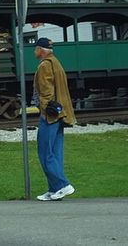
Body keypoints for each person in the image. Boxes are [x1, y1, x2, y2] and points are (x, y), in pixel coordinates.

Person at [33, 37, 77, 201]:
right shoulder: (56, 62)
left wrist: (45, 109)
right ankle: (54, 190)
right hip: (60, 114)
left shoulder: (45, 65)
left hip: (50, 116)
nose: (34, 52)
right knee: (55, 153)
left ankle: (62, 184)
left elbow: (46, 92)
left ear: (41, 50)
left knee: (45, 152)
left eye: (35, 48)